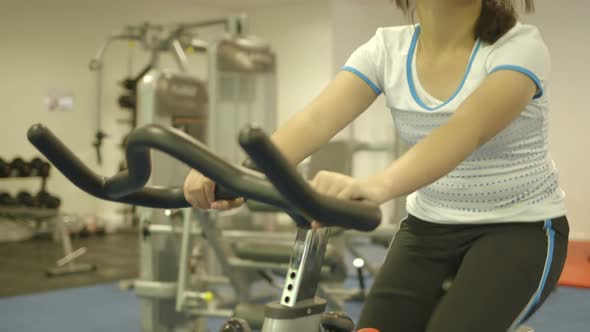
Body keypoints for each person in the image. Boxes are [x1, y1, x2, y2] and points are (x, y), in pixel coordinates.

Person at [184, 0, 569, 331]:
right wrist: (237, 175)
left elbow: (469, 129)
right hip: (428, 229)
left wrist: (378, 185)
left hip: (520, 228)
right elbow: (315, 121)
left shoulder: (519, 47)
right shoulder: (386, 49)